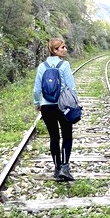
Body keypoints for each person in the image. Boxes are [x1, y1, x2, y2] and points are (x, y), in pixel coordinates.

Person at [33, 38, 77, 181]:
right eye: (62, 47)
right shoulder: (64, 65)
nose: (65, 49)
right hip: (63, 106)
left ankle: (57, 169)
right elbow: (71, 87)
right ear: (55, 50)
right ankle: (65, 167)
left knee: (54, 137)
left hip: (47, 107)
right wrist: (75, 103)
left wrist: (37, 103)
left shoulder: (42, 66)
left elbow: (37, 89)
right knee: (67, 135)